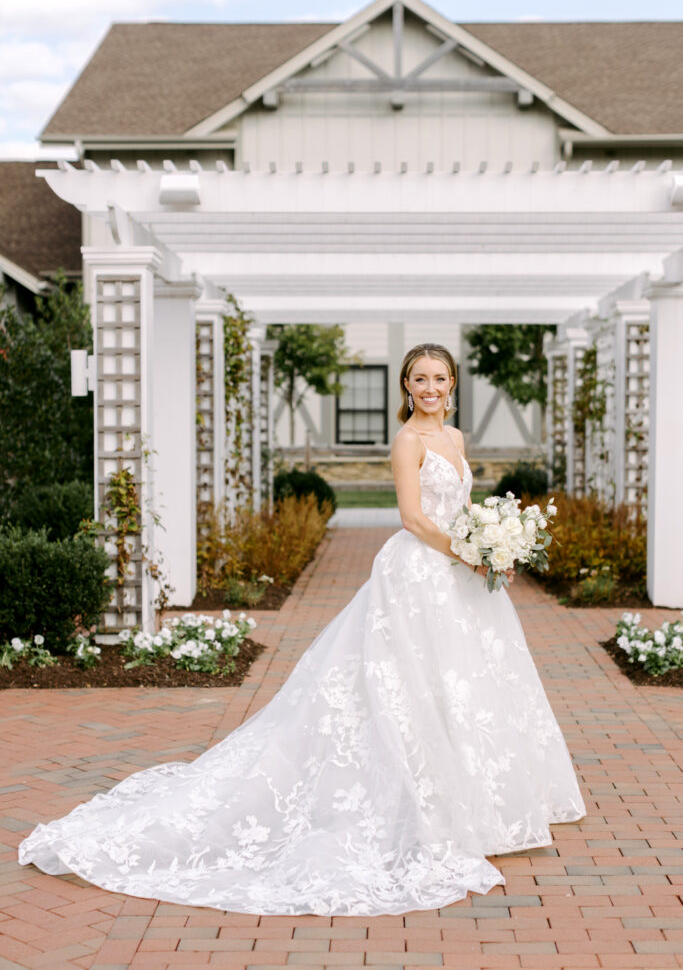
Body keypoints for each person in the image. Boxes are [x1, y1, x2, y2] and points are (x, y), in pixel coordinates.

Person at [18, 342, 586, 916]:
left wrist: (493, 542)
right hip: (418, 575)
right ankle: (424, 808)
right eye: (420, 379)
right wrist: (468, 551)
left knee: (465, 687)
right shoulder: (408, 441)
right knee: (406, 685)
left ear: (453, 383)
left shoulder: (457, 439)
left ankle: (479, 803)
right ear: (406, 388)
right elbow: (413, 518)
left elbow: (462, 506)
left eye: (440, 378)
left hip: (461, 580)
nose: (431, 388)